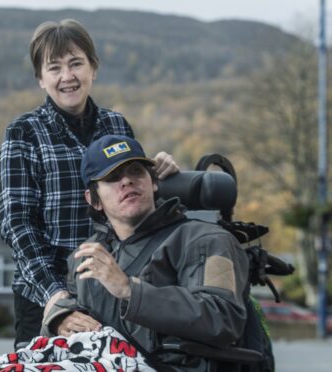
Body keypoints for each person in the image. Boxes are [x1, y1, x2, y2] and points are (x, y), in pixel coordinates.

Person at [0, 19, 180, 349]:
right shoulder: (24, 133)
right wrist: (56, 297)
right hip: (45, 291)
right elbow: (17, 225)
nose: (67, 76)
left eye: (76, 63)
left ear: (93, 68)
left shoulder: (116, 125)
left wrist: (156, 171)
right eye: (54, 68)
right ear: (41, 78)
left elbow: (131, 202)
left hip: (111, 286)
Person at [40, 134, 250, 370]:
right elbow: (69, 307)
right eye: (113, 178)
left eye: (136, 171)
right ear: (93, 199)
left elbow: (222, 319)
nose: (127, 181)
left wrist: (130, 290)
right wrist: (60, 320)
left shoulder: (206, 239)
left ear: (154, 183)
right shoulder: (87, 255)